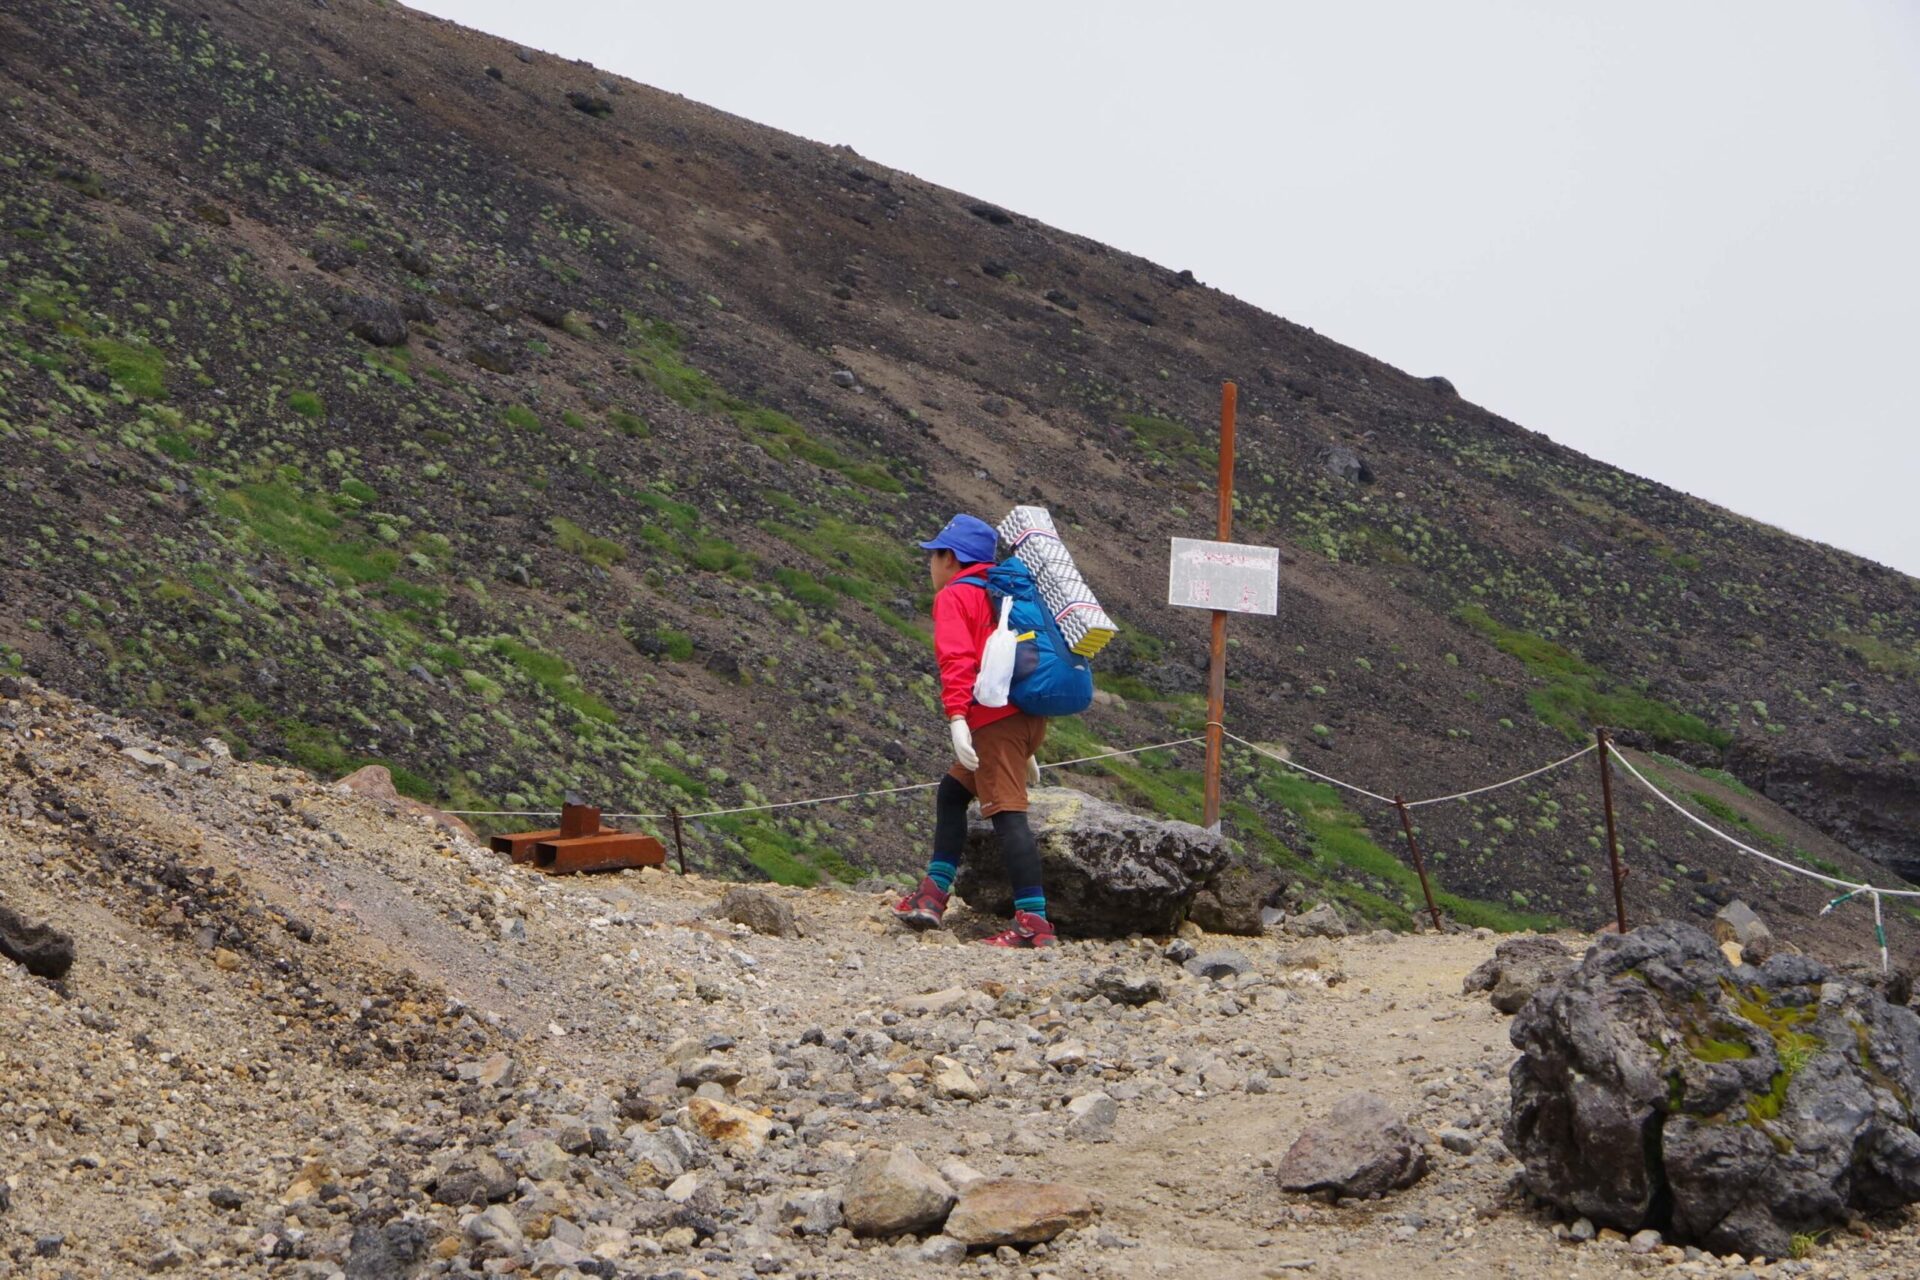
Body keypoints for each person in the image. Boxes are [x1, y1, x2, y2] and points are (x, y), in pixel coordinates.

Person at [893, 513, 1055, 947]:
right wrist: (1025, 743)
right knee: (952, 792)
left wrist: (958, 719)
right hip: (1022, 718)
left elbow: (958, 659)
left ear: (951, 559)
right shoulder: (1004, 593)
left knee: (1006, 812)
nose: (930, 565)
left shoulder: (955, 597)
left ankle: (1033, 924)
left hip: (992, 724)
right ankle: (931, 896)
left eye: (934, 555)